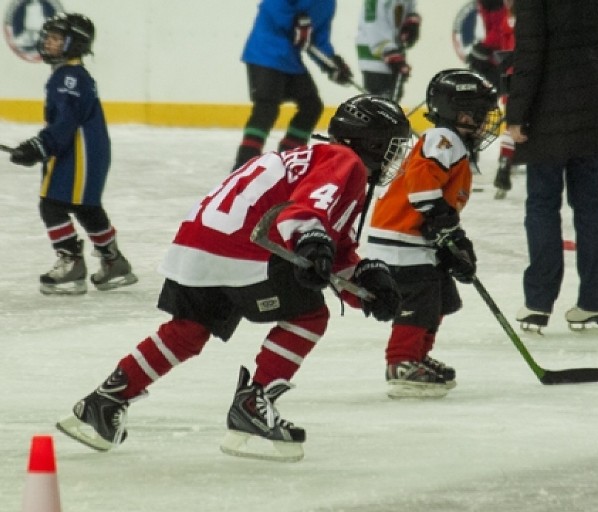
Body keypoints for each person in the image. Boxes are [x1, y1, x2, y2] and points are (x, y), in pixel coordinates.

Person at [56, 95, 410, 462]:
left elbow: (327, 246)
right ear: (370, 142)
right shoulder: (345, 160)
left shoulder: (310, 157)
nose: (394, 158)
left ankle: (104, 402)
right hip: (242, 248)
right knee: (309, 315)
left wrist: (364, 287)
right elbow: (306, 215)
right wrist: (313, 242)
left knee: (188, 329)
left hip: (196, 245)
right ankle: (254, 407)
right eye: (392, 147)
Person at [365, 69, 500, 398]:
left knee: (440, 296)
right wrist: (443, 224)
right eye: (478, 115)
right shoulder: (444, 138)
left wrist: (454, 237)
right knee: (422, 299)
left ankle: (418, 355)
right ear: (458, 112)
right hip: (400, 240)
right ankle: (401, 361)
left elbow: (439, 202)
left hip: (414, 240)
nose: (484, 123)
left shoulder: (451, 142)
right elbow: (421, 187)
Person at [505, 0, 598, 333]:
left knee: (542, 203)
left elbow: (530, 51)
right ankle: (597, 301)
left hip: (549, 109)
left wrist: (516, 115)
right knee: (590, 202)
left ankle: (538, 302)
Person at [8, 13, 137, 296]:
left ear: (74, 44)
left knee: (51, 205)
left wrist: (39, 146)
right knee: (86, 207)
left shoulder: (68, 77)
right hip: (88, 154)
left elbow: (66, 122)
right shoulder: (71, 74)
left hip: (78, 156)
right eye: (49, 38)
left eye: (56, 39)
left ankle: (71, 262)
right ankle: (113, 261)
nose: (48, 43)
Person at [232, 0, 354, 171]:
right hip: (265, 52)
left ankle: (289, 158)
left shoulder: (328, 4)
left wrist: (332, 64)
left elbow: (317, 40)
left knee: (311, 106)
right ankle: (244, 162)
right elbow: (271, 5)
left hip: (290, 61)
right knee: (267, 106)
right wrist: (294, 20)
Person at [467, 0, 516, 198]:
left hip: (500, 63)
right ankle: (502, 159)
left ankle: (473, 156)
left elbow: (499, 33)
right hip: (505, 65)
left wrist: (484, 48)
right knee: (514, 118)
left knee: (483, 109)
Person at [356, 0, 421, 101]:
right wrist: (392, 55)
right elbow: (373, 27)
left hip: (395, 52)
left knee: (392, 100)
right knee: (381, 102)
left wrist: (411, 19)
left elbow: (409, 6)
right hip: (374, 60)